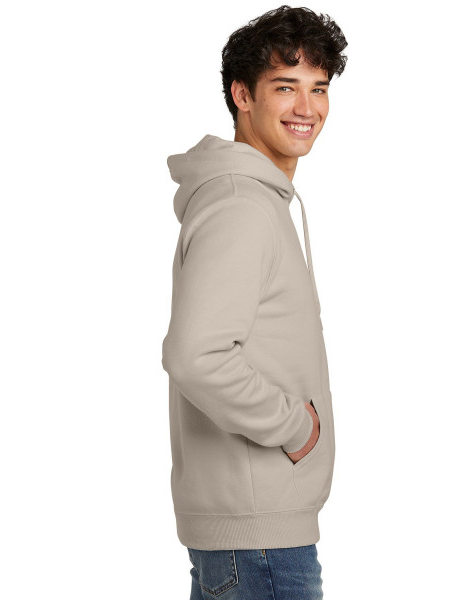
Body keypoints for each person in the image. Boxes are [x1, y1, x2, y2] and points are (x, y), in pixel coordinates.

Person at [162, 5, 348, 598]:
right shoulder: (242, 205)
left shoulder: (254, 200)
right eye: (286, 87)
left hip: (253, 538)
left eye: (319, 88)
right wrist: (296, 428)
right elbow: (195, 355)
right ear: (242, 95)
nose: (307, 108)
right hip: (260, 544)